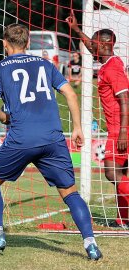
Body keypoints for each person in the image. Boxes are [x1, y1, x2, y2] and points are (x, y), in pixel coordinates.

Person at [0, 24, 102, 260]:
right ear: (28, 43)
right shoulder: (44, 64)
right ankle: (90, 243)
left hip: (22, 137)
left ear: (4, 43)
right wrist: (78, 128)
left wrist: (5, 118)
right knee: (70, 192)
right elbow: (71, 94)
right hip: (53, 137)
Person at [66, 12, 129, 229]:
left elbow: (125, 100)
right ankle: (123, 219)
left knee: (112, 173)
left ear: (104, 45)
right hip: (118, 128)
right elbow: (91, 46)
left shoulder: (112, 68)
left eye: (94, 44)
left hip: (120, 129)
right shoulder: (108, 61)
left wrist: (122, 132)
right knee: (123, 174)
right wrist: (75, 30)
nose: (91, 47)